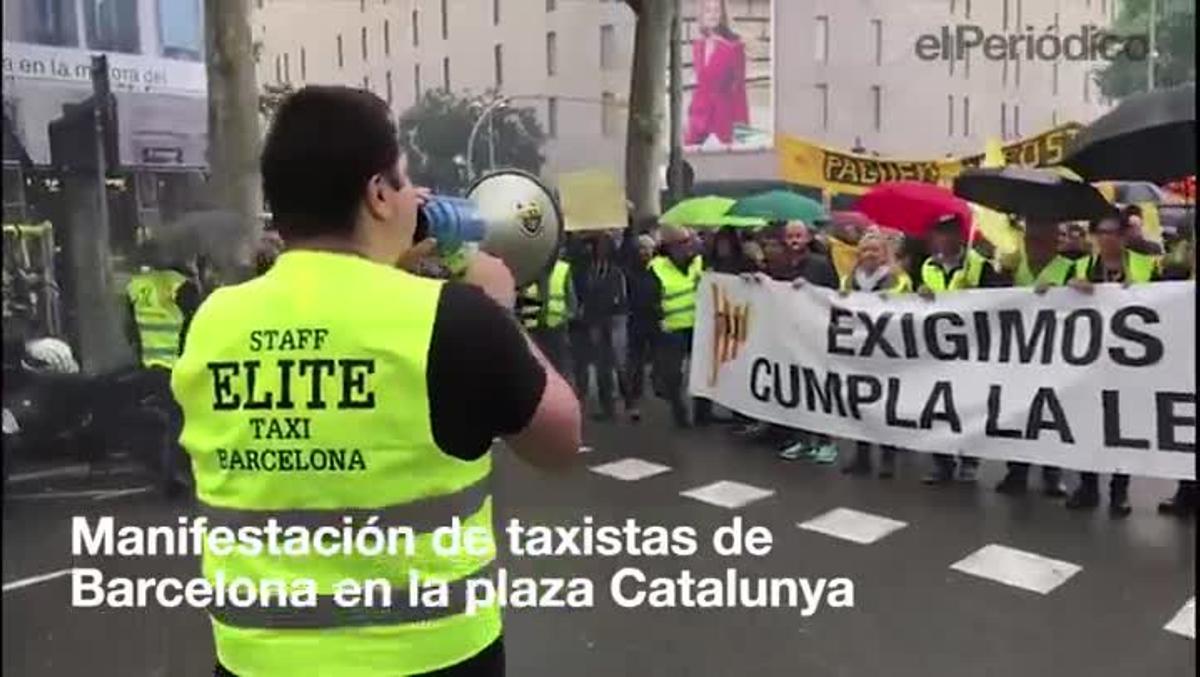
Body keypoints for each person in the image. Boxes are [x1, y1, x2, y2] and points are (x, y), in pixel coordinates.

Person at [171, 86, 581, 677]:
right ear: (378, 193)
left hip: (258, 660)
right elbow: (559, 440)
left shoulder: (211, 321)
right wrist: (498, 312)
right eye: (405, 179)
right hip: (431, 657)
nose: (417, 197)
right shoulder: (452, 317)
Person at [1063, 213, 1160, 518]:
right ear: (1093, 237)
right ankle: (1088, 486)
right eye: (1101, 232)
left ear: (1124, 236)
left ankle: (1119, 492)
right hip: (1090, 363)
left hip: (1130, 364)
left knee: (1123, 430)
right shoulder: (1080, 267)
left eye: (1114, 233)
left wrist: (1138, 294)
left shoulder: (1144, 266)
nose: (1107, 239)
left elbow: (1165, 304)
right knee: (1088, 425)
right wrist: (1069, 286)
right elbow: (1051, 301)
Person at [992, 218, 1090, 498]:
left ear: (1053, 242)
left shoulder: (1069, 266)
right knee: (1018, 413)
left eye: (1038, 240)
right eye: (1028, 240)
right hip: (1018, 354)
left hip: (1055, 353)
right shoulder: (1014, 266)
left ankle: (1052, 474)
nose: (1032, 245)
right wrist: (1003, 276)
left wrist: (1071, 288)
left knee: (1051, 416)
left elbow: (1086, 298)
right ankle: (1017, 471)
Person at [916, 214, 1006, 485]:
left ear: (959, 235)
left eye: (947, 232)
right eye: (938, 233)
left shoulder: (980, 266)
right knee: (935, 407)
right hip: (934, 350)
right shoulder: (927, 266)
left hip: (970, 349)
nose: (942, 238)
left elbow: (998, 300)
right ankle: (941, 462)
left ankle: (969, 460)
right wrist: (918, 294)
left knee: (967, 406)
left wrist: (974, 292)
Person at [747, 221, 840, 463]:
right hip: (789, 337)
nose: (794, 240)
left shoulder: (820, 264)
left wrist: (810, 289)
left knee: (819, 389)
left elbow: (834, 294)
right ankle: (803, 439)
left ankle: (826, 441)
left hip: (816, 335)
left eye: (799, 235)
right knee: (796, 389)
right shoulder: (780, 264)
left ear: (808, 237)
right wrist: (756, 281)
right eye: (790, 236)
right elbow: (773, 289)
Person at [124, 240, 201, 496]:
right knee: (180, 421)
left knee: (170, 419)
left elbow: (130, 327)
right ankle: (175, 475)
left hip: (151, 362)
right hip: (177, 363)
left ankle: (170, 472)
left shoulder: (137, 285)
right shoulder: (180, 285)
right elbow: (199, 322)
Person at [837, 229, 911, 478]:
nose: (869, 254)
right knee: (860, 404)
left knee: (886, 405)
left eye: (875, 250)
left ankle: (888, 456)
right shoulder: (849, 280)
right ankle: (862, 454)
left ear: (884, 254)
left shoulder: (898, 279)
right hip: (858, 350)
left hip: (886, 350)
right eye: (865, 249)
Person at [649, 225, 707, 427]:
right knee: (673, 374)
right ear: (671, 246)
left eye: (690, 241)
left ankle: (703, 414)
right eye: (683, 243)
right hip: (672, 328)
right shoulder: (657, 267)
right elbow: (649, 299)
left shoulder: (699, 262)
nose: (688, 246)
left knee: (703, 371)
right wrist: (658, 320)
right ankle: (679, 411)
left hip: (698, 325)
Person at [572, 232, 627, 421]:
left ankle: (617, 404)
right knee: (598, 366)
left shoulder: (615, 272)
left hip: (611, 321)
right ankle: (605, 405)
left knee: (613, 365)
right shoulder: (589, 270)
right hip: (592, 320)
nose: (601, 250)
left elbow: (620, 298)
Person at [684, 0, 749, 147]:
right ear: (701, 15)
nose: (712, 15)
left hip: (722, 121)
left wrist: (743, 134)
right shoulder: (698, 46)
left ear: (723, 15)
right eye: (708, 10)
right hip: (697, 120)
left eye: (716, 10)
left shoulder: (734, 48)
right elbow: (701, 84)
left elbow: (739, 91)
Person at [621, 233, 661, 422]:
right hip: (636, 321)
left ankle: (656, 388)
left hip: (656, 320)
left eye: (648, 248)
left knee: (659, 362)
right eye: (642, 248)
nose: (645, 252)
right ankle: (633, 401)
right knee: (634, 365)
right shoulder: (630, 271)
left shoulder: (659, 269)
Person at [517, 249, 574, 375]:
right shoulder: (528, 269)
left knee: (557, 367)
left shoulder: (561, 268)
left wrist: (566, 315)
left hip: (555, 326)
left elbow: (571, 299)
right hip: (534, 326)